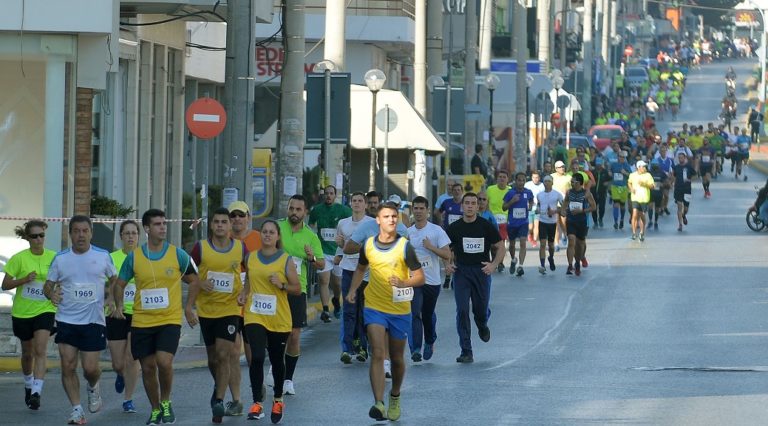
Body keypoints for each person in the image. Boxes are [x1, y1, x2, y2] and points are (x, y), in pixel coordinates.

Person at [115, 209, 199, 426]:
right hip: (142, 321)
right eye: (158, 224)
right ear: (147, 229)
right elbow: (120, 284)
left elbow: (195, 281)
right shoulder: (134, 257)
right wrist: (117, 306)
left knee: (164, 362)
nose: (163, 227)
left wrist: (189, 308)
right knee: (149, 367)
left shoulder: (177, 254)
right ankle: (154, 408)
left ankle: (166, 402)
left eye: (164, 223)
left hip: (169, 319)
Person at [346, 202, 425, 421]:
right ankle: (379, 403)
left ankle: (395, 395)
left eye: (394, 217)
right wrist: (353, 290)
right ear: (378, 221)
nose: (391, 220)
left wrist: (402, 282)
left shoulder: (404, 246)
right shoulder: (368, 245)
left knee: (397, 358)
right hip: (374, 306)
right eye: (386, 216)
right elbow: (361, 268)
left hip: (399, 308)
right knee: (378, 353)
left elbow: (420, 277)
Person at [43, 216, 118, 425]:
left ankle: (93, 386)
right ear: (70, 234)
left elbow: (115, 280)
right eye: (76, 231)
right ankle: (77, 410)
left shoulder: (103, 256)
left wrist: (112, 298)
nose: (81, 235)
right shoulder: (60, 258)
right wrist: (52, 295)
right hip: (67, 320)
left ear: (91, 233)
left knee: (90, 369)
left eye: (85, 231)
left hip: (94, 321)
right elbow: (47, 286)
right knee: (67, 366)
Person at [187, 207, 248, 423]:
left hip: (230, 310)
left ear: (230, 226)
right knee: (213, 359)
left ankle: (220, 400)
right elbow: (185, 272)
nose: (221, 225)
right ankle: (218, 387)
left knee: (224, 355)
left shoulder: (240, 248)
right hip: (207, 310)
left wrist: (244, 291)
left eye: (224, 222)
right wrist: (199, 282)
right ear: (211, 225)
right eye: (217, 222)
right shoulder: (200, 248)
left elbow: (252, 270)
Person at [237, 220, 301, 424]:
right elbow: (248, 281)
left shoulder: (285, 260)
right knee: (256, 356)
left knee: (276, 360)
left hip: (278, 318)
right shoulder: (251, 257)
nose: (267, 235)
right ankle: (257, 402)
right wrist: (243, 294)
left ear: (277, 236)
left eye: (271, 232)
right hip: (254, 314)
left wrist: (281, 284)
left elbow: (297, 288)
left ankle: (278, 399)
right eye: (264, 231)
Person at [2, 220, 56, 411]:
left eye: (42, 235)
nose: (39, 239)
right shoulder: (19, 259)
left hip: (45, 309)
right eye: (34, 236)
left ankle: (36, 392)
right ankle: (28, 384)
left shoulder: (53, 257)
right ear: (27, 238)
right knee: (27, 353)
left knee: (40, 349)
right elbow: (5, 285)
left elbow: (62, 279)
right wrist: (24, 280)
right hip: (22, 312)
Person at [446, 193, 505, 363]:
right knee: (462, 310)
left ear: (478, 207)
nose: (471, 206)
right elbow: (445, 248)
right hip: (462, 272)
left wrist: (493, 265)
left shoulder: (485, 226)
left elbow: (500, 247)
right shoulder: (455, 227)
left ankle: (482, 322)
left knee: (479, 309)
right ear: (462, 206)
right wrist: (447, 263)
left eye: (474, 203)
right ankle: (466, 350)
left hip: (481, 272)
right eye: (467, 203)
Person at [277, 195, 325, 396]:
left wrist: (311, 256)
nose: (294, 213)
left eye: (298, 209)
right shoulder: (278, 227)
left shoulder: (311, 236)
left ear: (305, 212)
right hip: (275, 287)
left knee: (294, 334)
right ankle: (277, 367)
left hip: (298, 288)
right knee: (277, 333)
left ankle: (288, 379)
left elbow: (321, 264)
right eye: (291, 208)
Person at [224, 200, 261, 417]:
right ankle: (236, 400)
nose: (237, 219)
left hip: (254, 305)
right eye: (233, 216)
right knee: (231, 353)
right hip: (229, 305)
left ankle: (257, 389)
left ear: (248, 217)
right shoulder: (222, 241)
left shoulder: (258, 238)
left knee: (253, 356)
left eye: (241, 215)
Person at [407, 196, 452, 362]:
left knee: (427, 314)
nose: (418, 211)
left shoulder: (436, 231)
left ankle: (430, 340)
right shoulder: (408, 233)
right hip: (414, 280)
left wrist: (431, 247)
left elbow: (447, 254)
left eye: (421, 208)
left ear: (427, 211)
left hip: (432, 281)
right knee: (415, 313)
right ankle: (416, 348)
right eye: (416, 208)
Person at [106, 220, 141, 414]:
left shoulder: (144, 257)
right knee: (118, 363)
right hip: (115, 314)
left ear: (138, 236)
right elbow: (106, 283)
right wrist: (110, 300)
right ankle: (120, 374)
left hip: (138, 314)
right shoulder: (111, 258)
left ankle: (128, 399)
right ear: (121, 236)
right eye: (126, 233)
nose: (130, 237)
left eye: (134, 233)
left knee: (132, 358)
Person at [336, 192, 376, 363]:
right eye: (354, 201)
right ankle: (347, 348)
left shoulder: (371, 223)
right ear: (350, 204)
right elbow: (341, 246)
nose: (357, 203)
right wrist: (339, 249)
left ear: (365, 205)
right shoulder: (342, 223)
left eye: (360, 201)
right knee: (349, 309)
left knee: (363, 311)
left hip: (366, 272)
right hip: (348, 270)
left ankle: (362, 348)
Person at [308, 185, 351, 322]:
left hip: (338, 252)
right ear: (323, 195)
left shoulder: (343, 210)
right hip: (322, 251)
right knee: (323, 280)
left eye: (331, 193)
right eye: (326, 193)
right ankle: (326, 310)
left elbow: (352, 222)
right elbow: (311, 227)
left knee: (337, 283)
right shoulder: (317, 210)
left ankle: (336, 301)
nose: (328, 196)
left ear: (335, 195)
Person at [561, 174, 596, 276]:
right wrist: (563, 211)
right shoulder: (569, 192)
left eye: (573, 182)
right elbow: (565, 203)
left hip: (582, 221)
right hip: (571, 220)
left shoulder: (586, 194)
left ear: (579, 183)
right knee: (571, 240)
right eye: (571, 182)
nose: (571, 183)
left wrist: (582, 210)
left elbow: (593, 207)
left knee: (580, 244)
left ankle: (578, 262)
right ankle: (570, 265)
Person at [502, 172, 534, 276]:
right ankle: (513, 259)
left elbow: (531, 200)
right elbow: (504, 207)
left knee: (523, 242)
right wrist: (512, 201)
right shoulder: (510, 193)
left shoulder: (528, 192)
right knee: (512, 244)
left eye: (523, 180)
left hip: (523, 222)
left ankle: (520, 266)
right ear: (516, 181)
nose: (521, 182)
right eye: (519, 180)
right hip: (512, 224)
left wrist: (530, 205)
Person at [536, 176, 563, 274]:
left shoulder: (557, 194)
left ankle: (551, 257)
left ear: (552, 183)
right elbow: (538, 206)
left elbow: (563, 208)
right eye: (545, 181)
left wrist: (555, 211)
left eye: (549, 181)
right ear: (543, 183)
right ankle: (542, 265)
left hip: (552, 222)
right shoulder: (539, 195)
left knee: (551, 245)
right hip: (542, 221)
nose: (547, 183)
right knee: (542, 244)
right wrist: (537, 210)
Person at [486, 170, 511, 272]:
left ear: (507, 179)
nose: (502, 179)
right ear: (497, 178)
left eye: (504, 177)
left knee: (501, 243)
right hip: (492, 219)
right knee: (492, 244)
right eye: (500, 177)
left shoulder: (510, 190)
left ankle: (500, 262)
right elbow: (486, 202)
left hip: (505, 220)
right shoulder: (490, 189)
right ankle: (494, 261)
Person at [627, 161, 655, 241]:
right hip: (635, 198)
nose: (645, 168)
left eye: (645, 167)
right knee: (634, 214)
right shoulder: (632, 175)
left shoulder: (648, 175)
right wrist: (631, 188)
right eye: (644, 167)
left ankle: (642, 232)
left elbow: (652, 186)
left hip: (644, 199)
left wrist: (644, 184)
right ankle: (634, 233)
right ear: (639, 167)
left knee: (642, 215)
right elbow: (629, 183)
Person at [670, 151, 697, 232]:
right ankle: (680, 224)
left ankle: (684, 215)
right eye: (679, 158)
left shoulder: (688, 167)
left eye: (682, 157)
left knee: (686, 208)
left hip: (687, 189)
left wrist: (690, 180)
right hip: (678, 189)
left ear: (685, 158)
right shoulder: (676, 167)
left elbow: (695, 175)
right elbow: (673, 177)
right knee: (679, 206)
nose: (680, 159)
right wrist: (672, 184)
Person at [610, 151, 632, 229]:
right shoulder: (614, 165)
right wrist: (609, 173)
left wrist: (625, 173)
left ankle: (622, 220)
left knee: (622, 206)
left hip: (624, 187)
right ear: (618, 157)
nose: (622, 158)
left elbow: (631, 175)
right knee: (616, 204)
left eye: (623, 157)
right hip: (615, 186)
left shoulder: (626, 165)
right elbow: (610, 171)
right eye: (620, 156)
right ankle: (615, 222)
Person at [524, 171, 545, 245]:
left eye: (537, 177)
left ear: (539, 178)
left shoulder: (542, 186)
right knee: (530, 226)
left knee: (537, 225)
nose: (535, 179)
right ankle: (530, 234)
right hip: (529, 208)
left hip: (538, 208)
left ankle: (535, 240)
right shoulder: (527, 185)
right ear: (531, 178)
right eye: (534, 177)